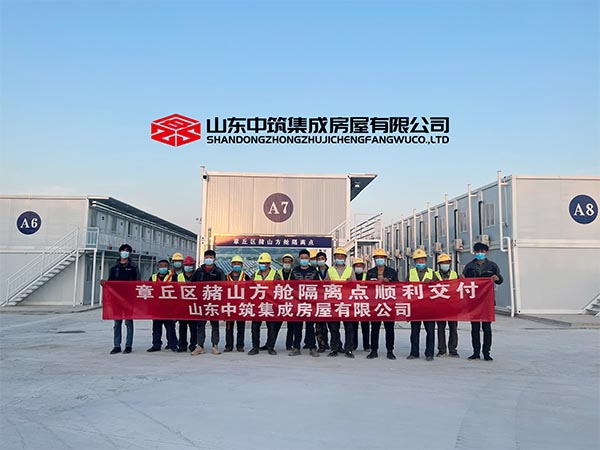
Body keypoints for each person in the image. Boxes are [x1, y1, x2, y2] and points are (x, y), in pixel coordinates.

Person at [463, 242, 503, 361]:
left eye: (482, 251)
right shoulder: (469, 266)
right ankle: (476, 352)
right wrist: (462, 279)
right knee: (475, 328)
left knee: (487, 328)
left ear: (486, 252)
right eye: (478, 251)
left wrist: (497, 278)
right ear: (474, 252)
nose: (480, 253)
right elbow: (464, 282)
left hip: (487, 302)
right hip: (473, 302)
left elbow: (500, 279)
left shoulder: (492, 266)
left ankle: (486, 352)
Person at [102, 244, 139, 354]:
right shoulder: (114, 267)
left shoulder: (133, 266)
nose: (125, 252)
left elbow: (138, 281)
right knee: (117, 323)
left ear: (130, 253)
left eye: (127, 251)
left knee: (128, 322)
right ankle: (116, 345)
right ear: (119, 252)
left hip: (129, 299)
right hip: (116, 299)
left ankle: (128, 345)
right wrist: (104, 284)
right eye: (123, 250)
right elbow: (110, 282)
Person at [191, 250, 225, 356]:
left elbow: (224, 287)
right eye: (207, 257)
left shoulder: (219, 272)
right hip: (201, 303)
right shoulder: (198, 271)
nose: (208, 259)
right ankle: (200, 346)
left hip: (214, 303)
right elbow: (192, 286)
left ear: (214, 259)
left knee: (215, 325)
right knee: (200, 325)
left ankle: (215, 346)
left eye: (210, 257)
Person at [367, 249, 399, 360]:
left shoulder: (392, 272)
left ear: (385, 259)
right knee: (374, 329)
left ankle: (390, 350)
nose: (379, 259)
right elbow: (366, 287)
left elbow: (398, 286)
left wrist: (389, 282)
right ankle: (374, 350)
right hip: (375, 304)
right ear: (374, 259)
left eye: (381, 257)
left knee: (389, 329)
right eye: (377, 257)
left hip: (388, 304)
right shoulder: (370, 272)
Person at [289, 249, 321, 357]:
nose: (304, 260)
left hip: (310, 303)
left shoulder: (314, 271)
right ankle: (296, 347)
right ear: (299, 259)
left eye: (306, 258)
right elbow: (290, 287)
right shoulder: (295, 271)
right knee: (297, 327)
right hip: (297, 303)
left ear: (309, 259)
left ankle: (312, 347)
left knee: (310, 327)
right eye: (302, 258)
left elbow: (319, 287)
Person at [248, 252, 281, 356]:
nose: (261, 265)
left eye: (263, 263)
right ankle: (255, 347)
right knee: (255, 327)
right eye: (260, 263)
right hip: (257, 305)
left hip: (270, 305)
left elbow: (279, 290)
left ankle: (270, 347)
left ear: (269, 264)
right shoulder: (255, 275)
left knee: (271, 327)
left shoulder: (275, 275)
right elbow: (249, 289)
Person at [406, 249, 436, 361]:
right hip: (416, 306)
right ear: (415, 261)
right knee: (414, 331)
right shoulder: (411, 273)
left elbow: (439, 287)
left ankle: (429, 353)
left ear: (426, 260)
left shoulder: (432, 273)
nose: (421, 262)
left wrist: (432, 282)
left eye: (422, 259)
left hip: (429, 307)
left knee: (430, 332)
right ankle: (414, 352)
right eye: (418, 260)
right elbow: (405, 288)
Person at [326, 247, 355, 358]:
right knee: (334, 328)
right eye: (337, 256)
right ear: (334, 258)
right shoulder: (330, 270)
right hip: (334, 302)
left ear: (345, 258)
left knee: (349, 328)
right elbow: (325, 285)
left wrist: (350, 283)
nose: (339, 258)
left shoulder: (350, 270)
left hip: (347, 303)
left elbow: (356, 286)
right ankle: (335, 348)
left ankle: (349, 349)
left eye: (341, 256)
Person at [147, 259, 178, 352]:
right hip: (156, 307)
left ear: (168, 267)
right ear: (158, 267)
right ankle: (156, 345)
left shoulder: (173, 277)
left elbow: (177, 291)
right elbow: (148, 290)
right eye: (161, 266)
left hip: (169, 307)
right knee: (156, 328)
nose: (163, 268)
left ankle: (173, 345)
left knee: (170, 327)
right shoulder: (153, 277)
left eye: (165, 266)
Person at [435, 253, 460, 358]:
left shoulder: (455, 274)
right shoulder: (434, 275)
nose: (445, 264)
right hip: (440, 306)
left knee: (453, 329)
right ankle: (442, 350)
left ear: (450, 263)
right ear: (439, 264)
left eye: (447, 262)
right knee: (441, 329)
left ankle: (453, 349)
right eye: (442, 263)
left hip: (452, 306)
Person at [225, 255, 250, 352]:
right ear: (231, 265)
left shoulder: (246, 277)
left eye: (238, 264)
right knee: (229, 327)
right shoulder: (226, 277)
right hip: (229, 305)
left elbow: (250, 291)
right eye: (235, 263)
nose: (236, 265)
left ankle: (240, 346)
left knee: (241, 327)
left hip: (241, 305)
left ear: (242, 265)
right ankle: (229, 346)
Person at [175, 255, 198, 352]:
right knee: (182, 327)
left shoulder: (197, 276)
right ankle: (182, 345)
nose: (188, 267)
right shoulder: (179, 276)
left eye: (190, 265)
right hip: (182, 305)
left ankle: (193, 345)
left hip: (194, 305)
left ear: (193, 266)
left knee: (193, 327)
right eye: (186, 265)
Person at [350, 257, 370, 352]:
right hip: (354, 305)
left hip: (364, 304)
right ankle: (354, 345)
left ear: (363, 266)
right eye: (357, 266)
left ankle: (366, 345)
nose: (359, 267)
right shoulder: (350, 276)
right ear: (354, 267)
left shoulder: (367, 276)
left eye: (360, 265)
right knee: (354, 327)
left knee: (365, 327)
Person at [277, 254, 295, 351]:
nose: (287, 263)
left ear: (292, 263)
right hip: (279, 302)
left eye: (289, 261)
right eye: (285, 261)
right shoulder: (277, 273)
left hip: (291, 302)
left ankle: (289, 344)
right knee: (275, 325)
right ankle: (270, 344)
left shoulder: (294, 273)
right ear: (282, 262)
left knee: (291, 325)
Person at [314, 251, 331, 352]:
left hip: (330, 300)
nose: (320, 261)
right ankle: (321, 345)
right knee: (319, 325)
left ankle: (330, 343)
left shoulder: (331, 270)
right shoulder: (314, 271)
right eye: (319, 259)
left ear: (325, 260)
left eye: (322, 259)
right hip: (317, 300)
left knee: (331, 325)